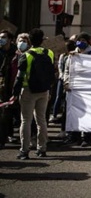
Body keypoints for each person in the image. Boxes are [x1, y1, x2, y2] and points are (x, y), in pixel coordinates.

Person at [12, 28, 54, 160]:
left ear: (29, 40)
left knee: (26, 120)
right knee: (41, 120)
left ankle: (24, 150)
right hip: (44, 90)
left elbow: (20, 77)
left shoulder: (26, 55)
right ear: (43, 40)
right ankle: (42, 148)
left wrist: (15, 93)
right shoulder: (50, 53)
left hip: (28, 90)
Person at [0, 30, 18, 149]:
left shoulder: (16, 52)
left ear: (10, 39)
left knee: (12, 110)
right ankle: (5, 135)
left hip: (12, 84)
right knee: (3, 111)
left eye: (4, 37)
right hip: (1, 85)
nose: (1, 39)